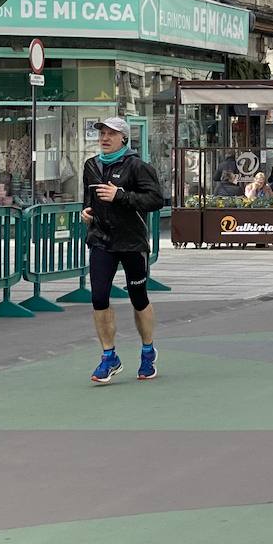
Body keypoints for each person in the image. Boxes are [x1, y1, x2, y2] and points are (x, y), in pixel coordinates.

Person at [82, 117, 166, 385]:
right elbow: (90, 200)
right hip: (101, 240)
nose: (105, 138)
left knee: (138, 297)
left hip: (132, 242)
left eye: (111, 134)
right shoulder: (91, 166)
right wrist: (86, 212)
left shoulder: (138, 166)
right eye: (102, 133)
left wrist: (122, 196)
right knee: (98, 298)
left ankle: (147, 351)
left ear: (124, 138)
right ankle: (109, 357)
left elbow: (155, 200)